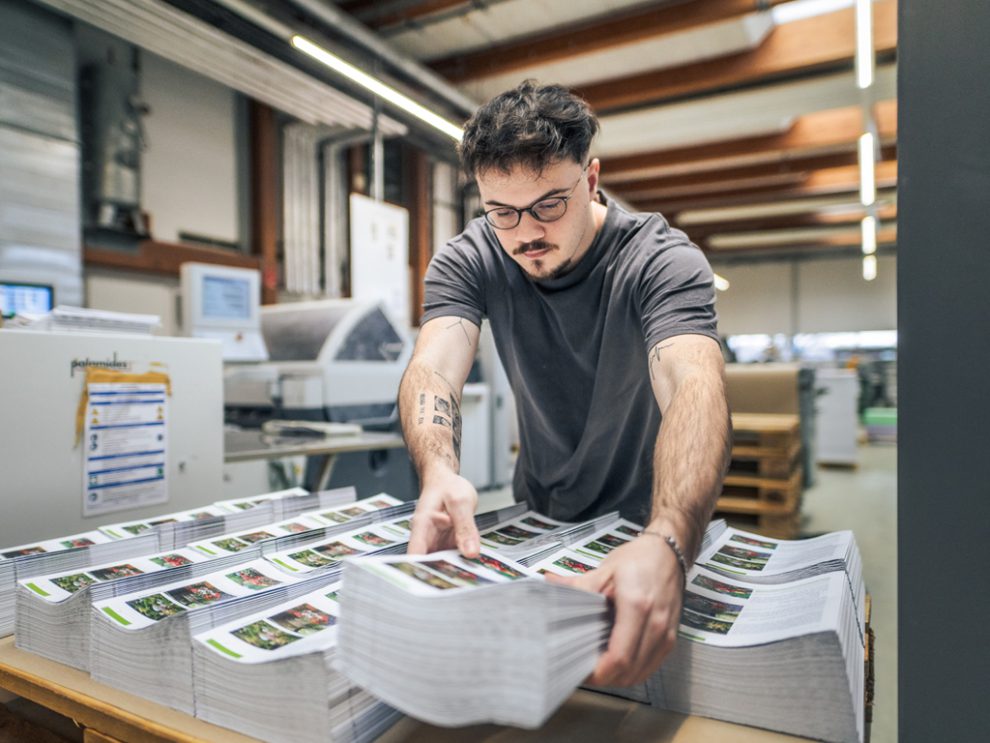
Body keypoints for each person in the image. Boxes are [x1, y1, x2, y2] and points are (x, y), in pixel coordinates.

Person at [398, 80, 731, 688]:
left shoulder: (660, 259)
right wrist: (438, 471)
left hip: (648, 522)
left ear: (592, 180)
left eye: (549, 204)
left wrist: (669, 538)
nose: (525, 232)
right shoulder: (470, 257)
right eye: (502, 211)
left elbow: (694, 386)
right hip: (541, 520)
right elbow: (434, 368)